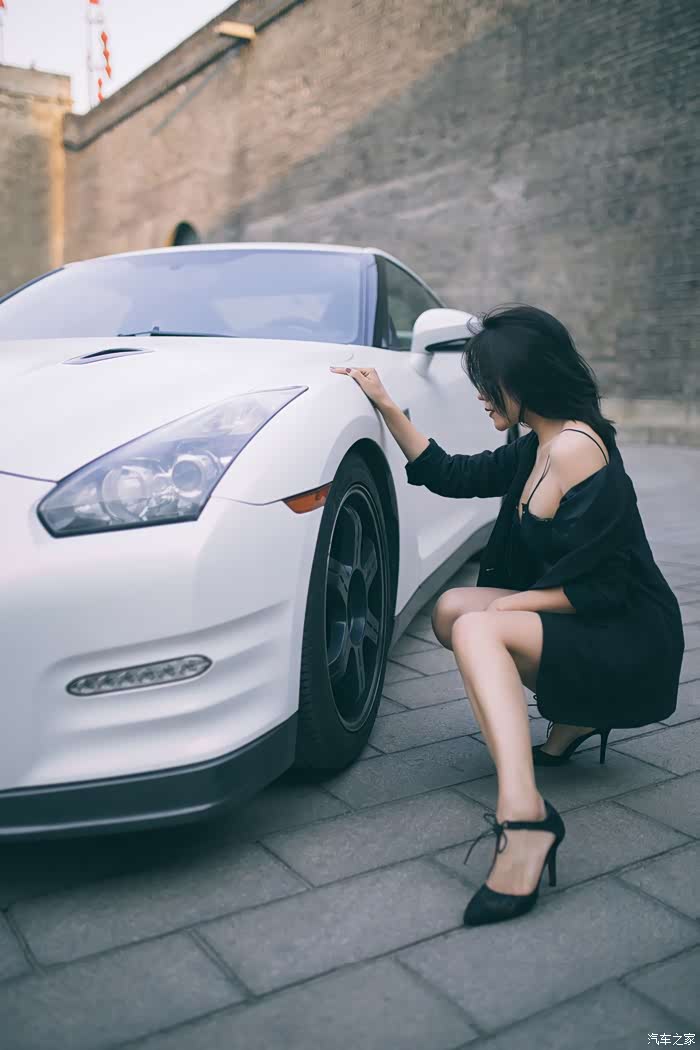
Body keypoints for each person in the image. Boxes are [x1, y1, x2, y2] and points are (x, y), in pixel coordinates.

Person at [330, 302, 684, 928]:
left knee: (477, 623)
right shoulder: (534, 446)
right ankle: (573, 716)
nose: (480, 397)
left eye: (487, 385)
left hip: (630, 637)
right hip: (590, 620)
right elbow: (449, 474)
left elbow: (606, 587)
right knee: (452, 610)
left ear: (522, 382)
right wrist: (384, 403)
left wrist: (510, 605)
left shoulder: (577, 449)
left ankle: (524, 817)